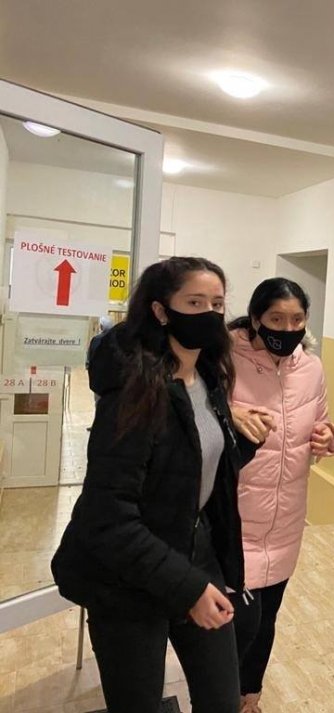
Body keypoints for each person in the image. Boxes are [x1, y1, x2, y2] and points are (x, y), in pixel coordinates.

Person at [51, 257, 267, 713]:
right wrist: (187, 589)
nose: (210, 313)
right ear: (160, 311)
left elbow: (192, 469)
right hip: (126, 582)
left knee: (221, 700)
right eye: (195, 303)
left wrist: (245, 441)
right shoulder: (134, 391)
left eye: (217, 304)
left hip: (194, 556)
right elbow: (107, 519)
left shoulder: (207, 377)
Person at [227, 277, 334, 713]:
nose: (288, 328)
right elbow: (194, 421)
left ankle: (249, 698)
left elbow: (322, 421)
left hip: (286, 518)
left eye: (297, 319)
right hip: (235, 518)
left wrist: (325, 436)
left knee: (266, 619)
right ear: (256, 319)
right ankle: (220, 698)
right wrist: (231, 414)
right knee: (239, 623)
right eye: (276, 319)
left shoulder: (310, 368)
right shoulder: (224, 360)